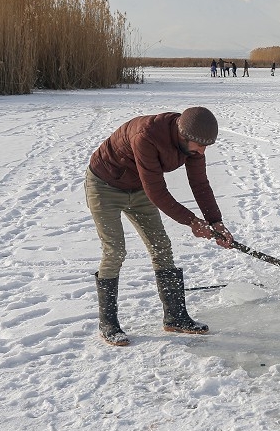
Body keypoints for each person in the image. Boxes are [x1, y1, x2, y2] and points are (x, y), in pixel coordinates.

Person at [85, 107, 234, 346]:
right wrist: (192, 222)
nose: (202, 151)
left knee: (161, 246)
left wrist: (215, 221)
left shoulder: (193, 141)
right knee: (115, 251)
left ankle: (175, 317)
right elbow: (157, 192)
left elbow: (200, 184)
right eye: (199, 146)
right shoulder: (146, 135)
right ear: (183, 136)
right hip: (105, 186)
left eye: (206, 147)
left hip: (139, 188)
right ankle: (108, 323)